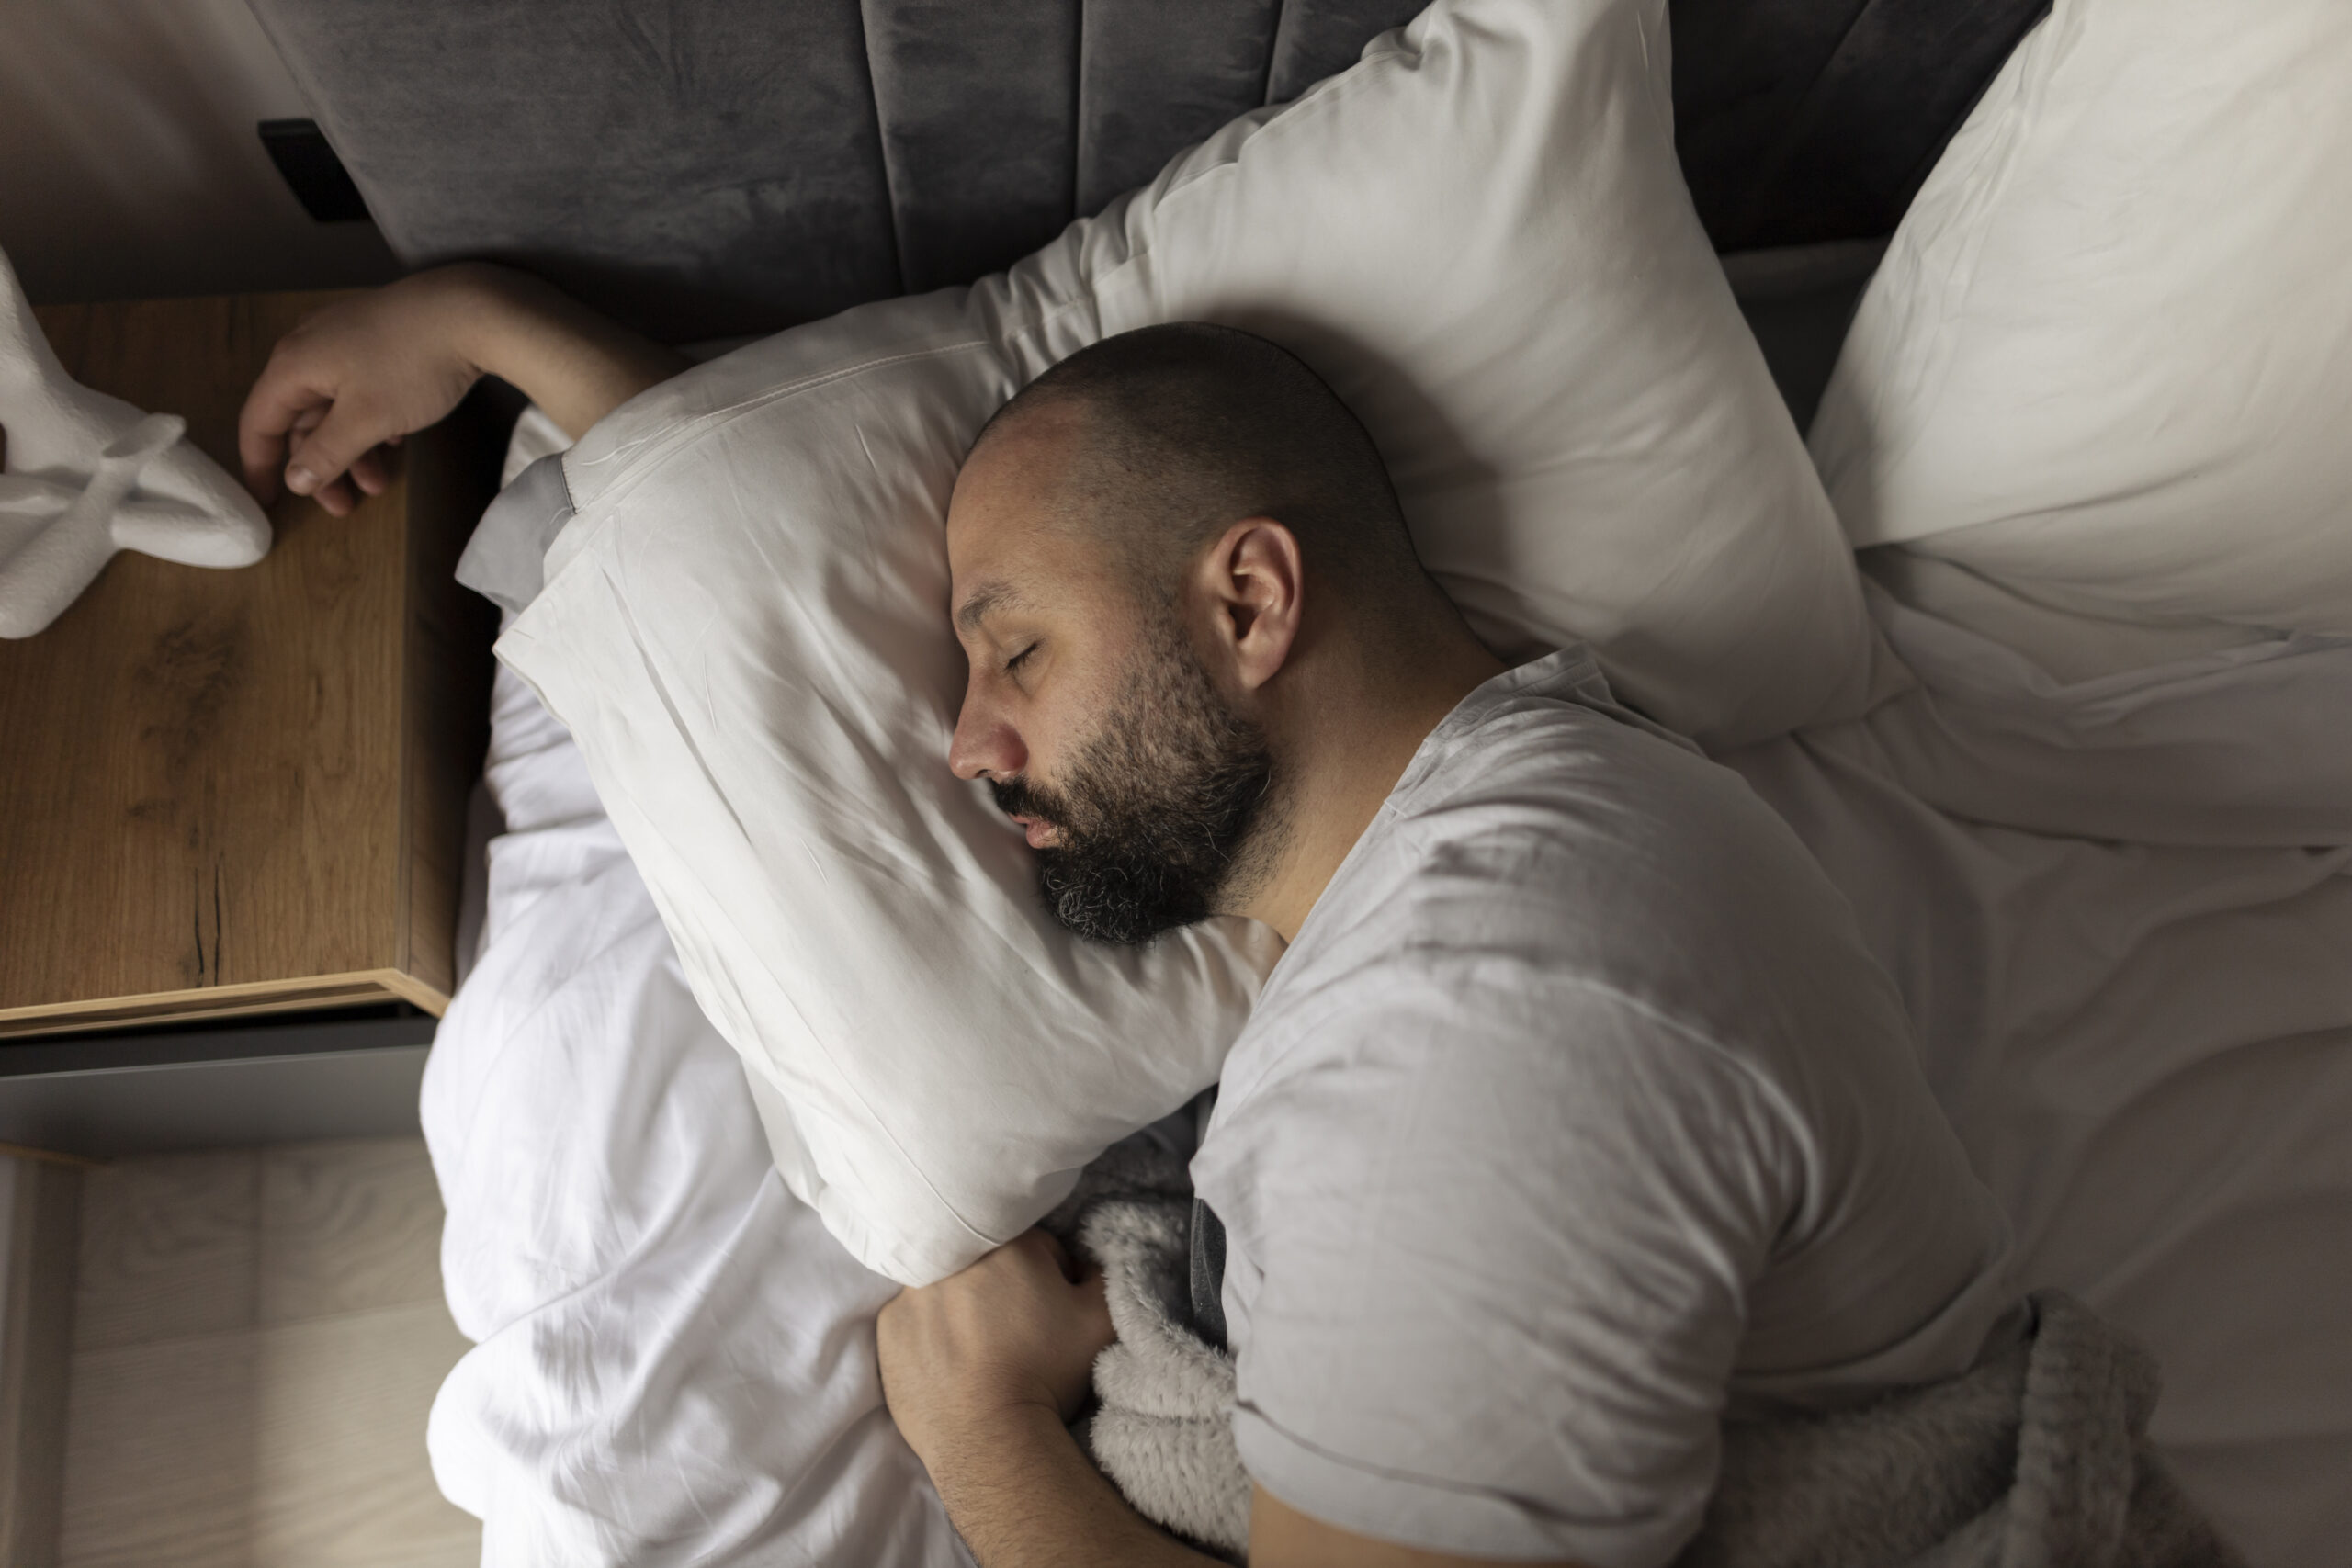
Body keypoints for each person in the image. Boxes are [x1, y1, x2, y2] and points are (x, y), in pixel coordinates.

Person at [243, 265, 2019, 1568]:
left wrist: (985, 1433)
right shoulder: (1470, 867)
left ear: (1249, 599)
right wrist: (487, 328)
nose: (961, 744)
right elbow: (752, 606)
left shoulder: (1493, 1009)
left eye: (1016, 648)